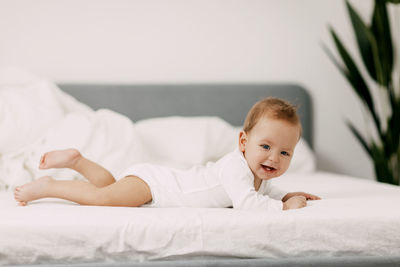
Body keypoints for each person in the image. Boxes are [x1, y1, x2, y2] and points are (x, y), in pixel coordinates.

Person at [14, 97, 321, 210]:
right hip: (156, 187)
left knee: (107, 189)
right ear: (242, 142)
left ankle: (77, 161)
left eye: (285, 153)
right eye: (265, 147)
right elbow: (248, 204)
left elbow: (264, 191)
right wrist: (285, 208)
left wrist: (285, 194)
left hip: (154, 181)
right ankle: (49, 186)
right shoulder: (237, 168)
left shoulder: (256, 173)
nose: (273, 158)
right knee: (102, 198)